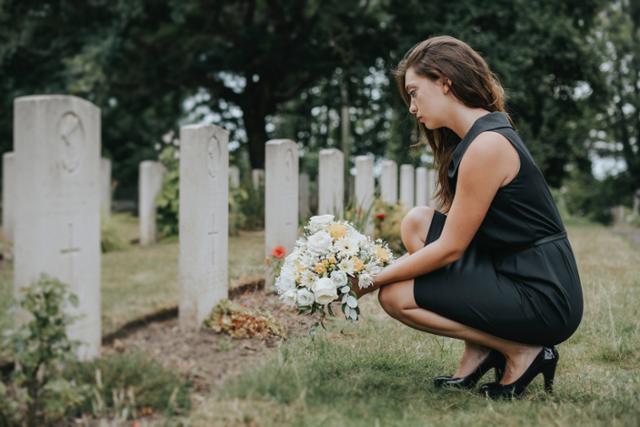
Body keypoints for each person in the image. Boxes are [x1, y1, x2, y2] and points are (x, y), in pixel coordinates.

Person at [351, 35, 584, 399]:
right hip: (509, 269)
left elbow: (450, 249)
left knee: (394, 295)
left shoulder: (487, 146)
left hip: (544, 294)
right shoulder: (474, 139)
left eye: (414, 92)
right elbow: (451, 237)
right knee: (416, 222)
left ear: (445, 81)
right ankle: (481, 350)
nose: (411, 107)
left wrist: (371, 279)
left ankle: (521, 351)